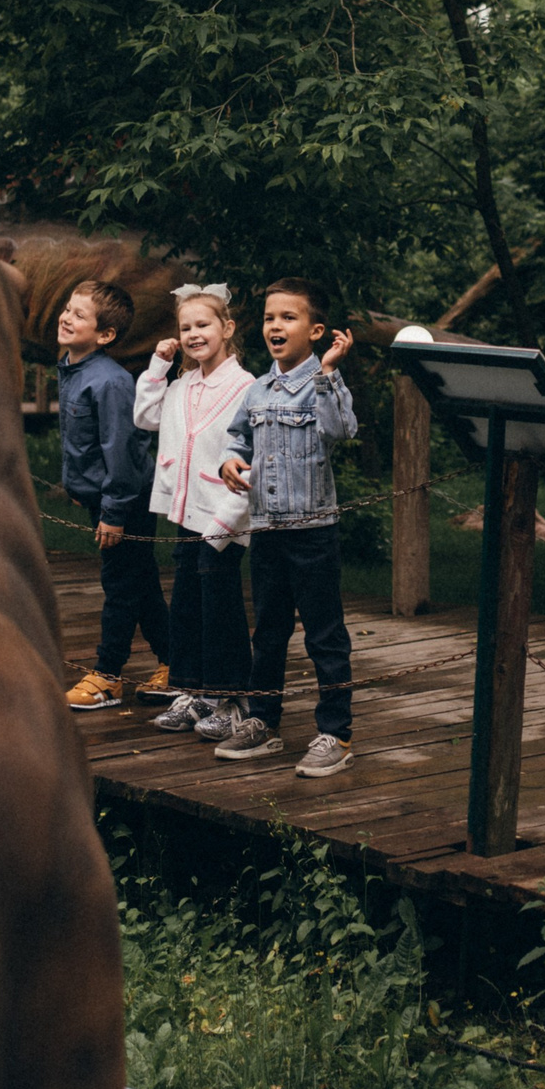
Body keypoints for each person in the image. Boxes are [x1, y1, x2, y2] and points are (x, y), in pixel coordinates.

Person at [214, 278, 358, 776]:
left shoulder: (323, 383)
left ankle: (336, 733)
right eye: (270, 317)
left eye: (288, 317)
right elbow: (238, 438)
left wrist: (329, 373)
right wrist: (230, 461)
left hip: (313, 531)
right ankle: (263, 722)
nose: (275, 325)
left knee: (324, 635)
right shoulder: (257, 389)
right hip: (267, 531)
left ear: (315, 331)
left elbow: (342, 429)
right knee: (269, 632)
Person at [130, 283, 256, 739]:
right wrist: (158, 366)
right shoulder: (182, 385)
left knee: (219, 604)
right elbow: (145, 417)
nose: (193, 334)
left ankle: (231, 697)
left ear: (228, 328)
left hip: (223, 512)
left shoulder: (246, 388)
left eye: (203, 325)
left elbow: (250, 455)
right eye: (185, 328)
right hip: (186, 512)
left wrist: (228, 518)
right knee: (186, 602)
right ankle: (193, 691)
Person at [58, 279, 171, 710]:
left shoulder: (110, 382)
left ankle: (108, 676)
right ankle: (176, 662)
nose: (66, 317)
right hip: (105, 498)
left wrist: (115, 511)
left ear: (105, 335)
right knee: (140, 582)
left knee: (121, 586)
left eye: (79, 314)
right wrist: (82, 488)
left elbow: (124, 451)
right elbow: (86, 444)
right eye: (67, 309)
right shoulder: (72, 369)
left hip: (127, 501)